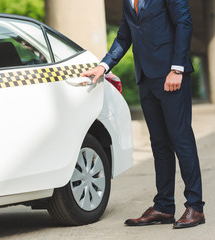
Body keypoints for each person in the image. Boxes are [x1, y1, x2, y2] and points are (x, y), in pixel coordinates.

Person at [81, 0, 205, 229]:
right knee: (159, 143)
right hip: (146, 78)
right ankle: (164, 207)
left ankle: (195, 206)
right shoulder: (128, 2)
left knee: (181, 139)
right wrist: (103, 66)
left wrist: (177, 68)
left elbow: (184, 23)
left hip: (172, 74)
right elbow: (123, 37)